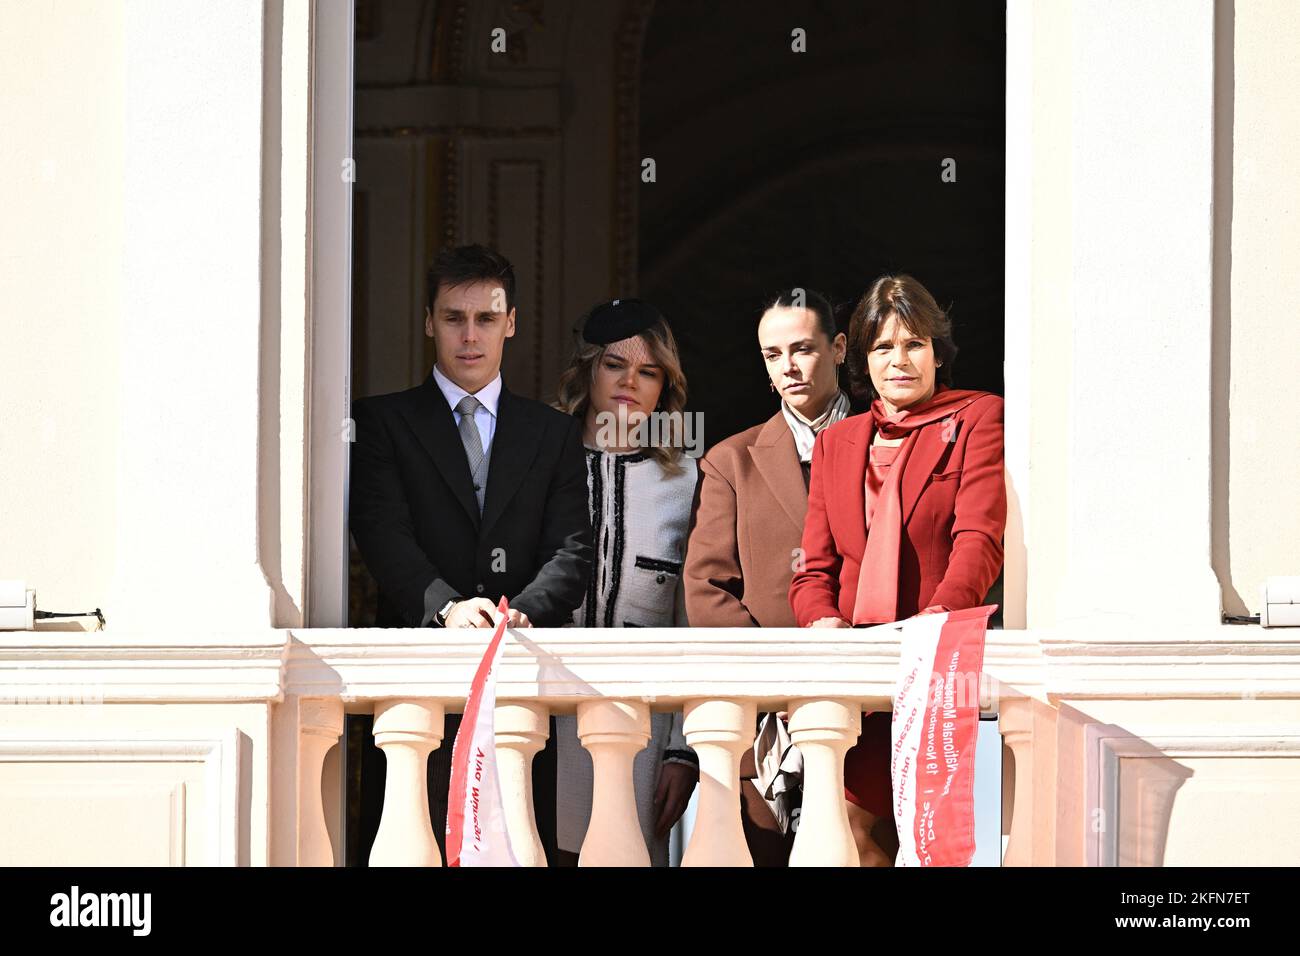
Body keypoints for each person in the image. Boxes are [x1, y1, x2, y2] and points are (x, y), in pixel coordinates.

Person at [349, 243, 593, 863]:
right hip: (414, 685)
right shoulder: (381, 422)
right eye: (453, 318)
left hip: (516, 683)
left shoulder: (553, 432)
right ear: (429, 321)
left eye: (486, 319)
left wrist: (524, 611)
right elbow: (381, 533)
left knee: (517, 846)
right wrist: (447, 607)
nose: (469, 335)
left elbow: (572, 548)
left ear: (511, 322)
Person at [788, 274, 1006, 866]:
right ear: (862, 358)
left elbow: (979, 538)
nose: (899, 360)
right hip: (858, 679)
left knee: (931, 839)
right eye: (883, 348)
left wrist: (937, 620)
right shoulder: (838, 442)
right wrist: (823, 622)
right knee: (858, 837)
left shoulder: (978, 418)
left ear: (938, 351)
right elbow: (813, 569)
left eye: (913, 344)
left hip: (936, 668)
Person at [684, 288, 856, 866]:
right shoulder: (731, 460)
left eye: (803, 349)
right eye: (772, 354)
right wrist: (781, 686)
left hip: (869, 713)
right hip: (763, 729)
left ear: (838, 348)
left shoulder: (891, 444)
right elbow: (706, 590)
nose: (788, 366)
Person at [552, 298, 699, 867]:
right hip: (545, 720)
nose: (629, 383)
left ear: (665, 385)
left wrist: (684, 750)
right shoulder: (539, 458)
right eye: (615, 365)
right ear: (588, 368)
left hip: (646, 726)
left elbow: (694, 618)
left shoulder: (690, 476)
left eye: (649, 371)